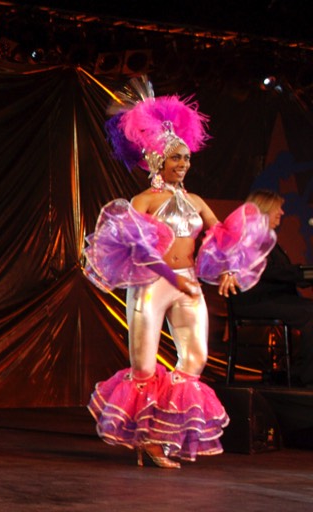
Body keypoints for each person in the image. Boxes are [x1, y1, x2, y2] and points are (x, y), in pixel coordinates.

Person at [84, 78, 275, 469]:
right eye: (175, 158)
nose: (183, 164)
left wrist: (229, 270)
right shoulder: (143, 201)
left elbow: (223, 235)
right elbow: (138, 251)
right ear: (157, 161)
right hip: (153, 286)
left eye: (186, 158)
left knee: (195, 361)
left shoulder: (196, 201)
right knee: (143, 369)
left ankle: (158, 436)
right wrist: (175, 280)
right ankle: (148, 443)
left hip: (187, 285)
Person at [231, 189, 313, 386]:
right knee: (310, 313)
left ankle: (299, 371)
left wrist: (304, 274)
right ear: (264, 210)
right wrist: (305, 275)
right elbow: (270, 272)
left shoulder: (266, 238)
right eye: (278, 208)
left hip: (272, 298)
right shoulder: (251, 238)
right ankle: (305, 376)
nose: (282, 213)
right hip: (254, 301)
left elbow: (281, 270)